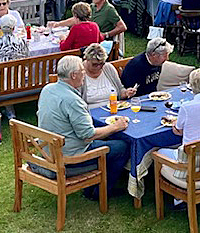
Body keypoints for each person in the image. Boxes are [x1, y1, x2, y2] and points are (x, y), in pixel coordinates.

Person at [35, 55, 130, 199]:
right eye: (82, 71)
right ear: (73, 75)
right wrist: (116, 127)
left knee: (108, 141)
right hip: (69, 156)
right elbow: (88, 135)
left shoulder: (48, 89)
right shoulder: (73, 100)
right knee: (122, 147)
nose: (84, 74)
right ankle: (101, 192)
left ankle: (93, 187)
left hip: (48, 149)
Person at [0, 13, 29, 119]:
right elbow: (26, 59)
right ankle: (10, 109)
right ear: (14, 28)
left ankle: (9, 110)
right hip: (20, 81)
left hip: (2, 85)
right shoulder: (22, 42)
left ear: (0, 28)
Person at [48, 0, 127, 42]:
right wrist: (58, 24)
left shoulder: (109, 10)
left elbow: (122, 27)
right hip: (87, 38)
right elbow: (76, 18)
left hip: (97, 42)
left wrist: (106, 34)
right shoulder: (92, 6)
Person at [77, 43, 137, 108]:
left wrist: (126, 93)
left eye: (102, 64)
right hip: (90, 112)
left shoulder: (108, 68)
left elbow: (120, 90)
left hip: (114, 109)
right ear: (86, 59)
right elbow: (77, 102)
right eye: (95, 64)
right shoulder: (80, 72)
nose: (99, 67)